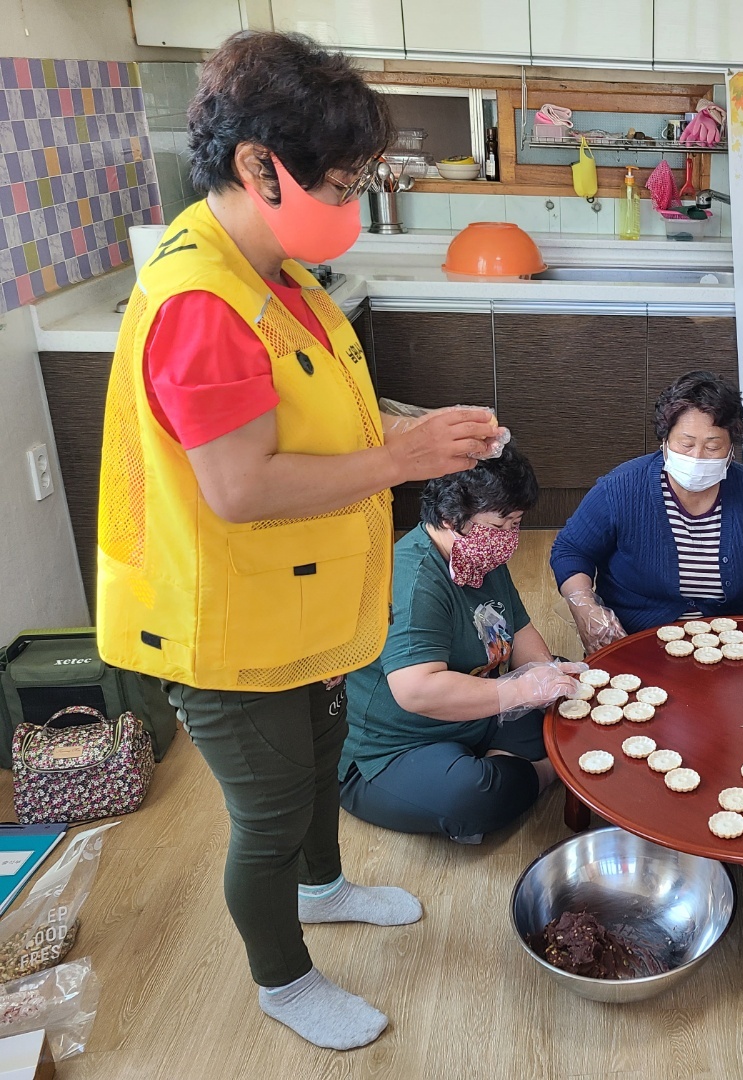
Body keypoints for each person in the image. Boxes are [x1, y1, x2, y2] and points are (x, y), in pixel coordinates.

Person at [95, 32, 506, 1051]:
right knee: (270, 813)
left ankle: (322, 889)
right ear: (257, 165)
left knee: (322, 763)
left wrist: (416, 428)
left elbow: (316, 416)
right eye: (340, 183)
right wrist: (404, 459)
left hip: (298, 598)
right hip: (225, 617)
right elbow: (239, 487)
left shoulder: (275, 272)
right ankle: (282, 980)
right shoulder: (203, 302)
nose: (351, 204)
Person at [340, 448, 582, 842]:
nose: (508, 539)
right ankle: (545, 770)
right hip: (397, 746)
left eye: (516, 524)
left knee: (566, 686)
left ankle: (511, 768)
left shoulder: (477, 555)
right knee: (472, 796)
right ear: (450, 518)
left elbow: (519, 631)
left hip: (476, 712)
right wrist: (520, 691)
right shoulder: (414, 580)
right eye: (500, 525)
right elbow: (417, 690)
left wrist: (544, 673)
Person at [550, 370, 743, 652]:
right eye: (686, 444)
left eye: (713, 446)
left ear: (732, 448)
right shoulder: (621, 488)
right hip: (634, 640)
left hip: (730, 643)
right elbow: (571, 550)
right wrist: (585, 608)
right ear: (665, 441)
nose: (697, 457)